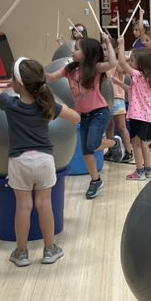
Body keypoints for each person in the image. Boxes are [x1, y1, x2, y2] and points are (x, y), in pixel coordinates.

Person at [0, 38, 79, 266]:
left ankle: (22, 253)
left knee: (23, 207)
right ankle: (50, 249)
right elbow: (75, 118)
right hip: (45, 161)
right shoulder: (47, 104)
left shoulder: (10, 104)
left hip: (19, 162)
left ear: (18, 84)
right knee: (45, 205)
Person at [45, 33, 116, 199]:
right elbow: (50, 77)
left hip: (100, 112)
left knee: (91, 145)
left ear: (87, 53)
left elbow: (112, 63)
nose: (72, 51)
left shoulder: (95, 68)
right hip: (84, 115)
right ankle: (95, 180)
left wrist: (108, 42)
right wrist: (37, 77)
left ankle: (113, 143)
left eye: (77, 49)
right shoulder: (68, 69)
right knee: (86, 153)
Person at [116, 47, 151, 180]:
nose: (129, 62)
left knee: (135, 144)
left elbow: (122, 63)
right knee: (144, 143)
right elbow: (131, 90)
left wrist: (121, 45)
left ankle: (139, 171)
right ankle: (148, 169)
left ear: (140, 64)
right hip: (146, 115)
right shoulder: (146, 77)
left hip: (137, 115)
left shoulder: (137, 74)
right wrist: (118, 82)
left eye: (132, 60)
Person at [105, 36, 133, 163]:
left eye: (107, 49)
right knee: (109, 127)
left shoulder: (116, 64)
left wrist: (122, 47)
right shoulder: (101, 65)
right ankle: (112, 149)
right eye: (103, 50)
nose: (104, 52)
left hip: (117, 99)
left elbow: (123, 65)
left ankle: (129, 151)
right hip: (105, 100)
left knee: (122, 127)